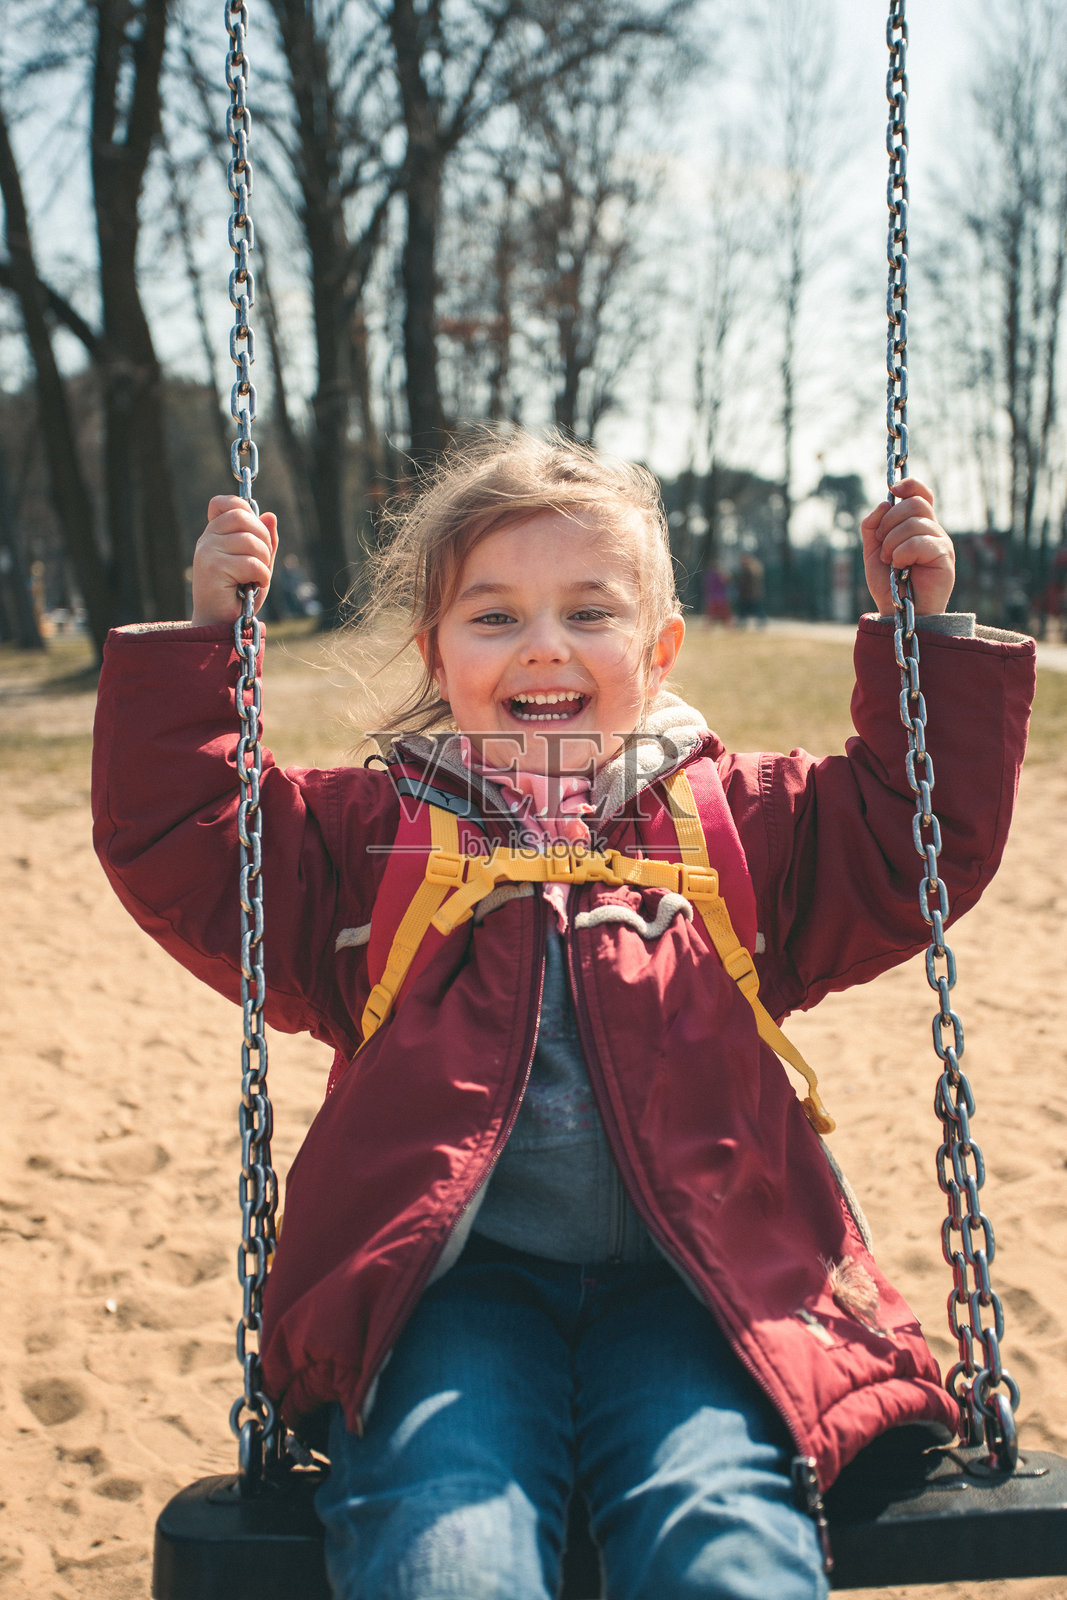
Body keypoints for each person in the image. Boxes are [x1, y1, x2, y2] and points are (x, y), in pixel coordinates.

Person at [92, 431, 1035, 1600]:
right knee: (444, 1535)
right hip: (447, 1301)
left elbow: (911, 837)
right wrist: (207, 635)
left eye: (589, 611)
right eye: (493, 617)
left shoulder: (737, 824)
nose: (543, 644)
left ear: (658, 645)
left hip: (695, 1292)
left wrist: (920, 639)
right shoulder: (369, 836)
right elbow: (191, 845)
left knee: (721, 1531)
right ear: (433, 650)